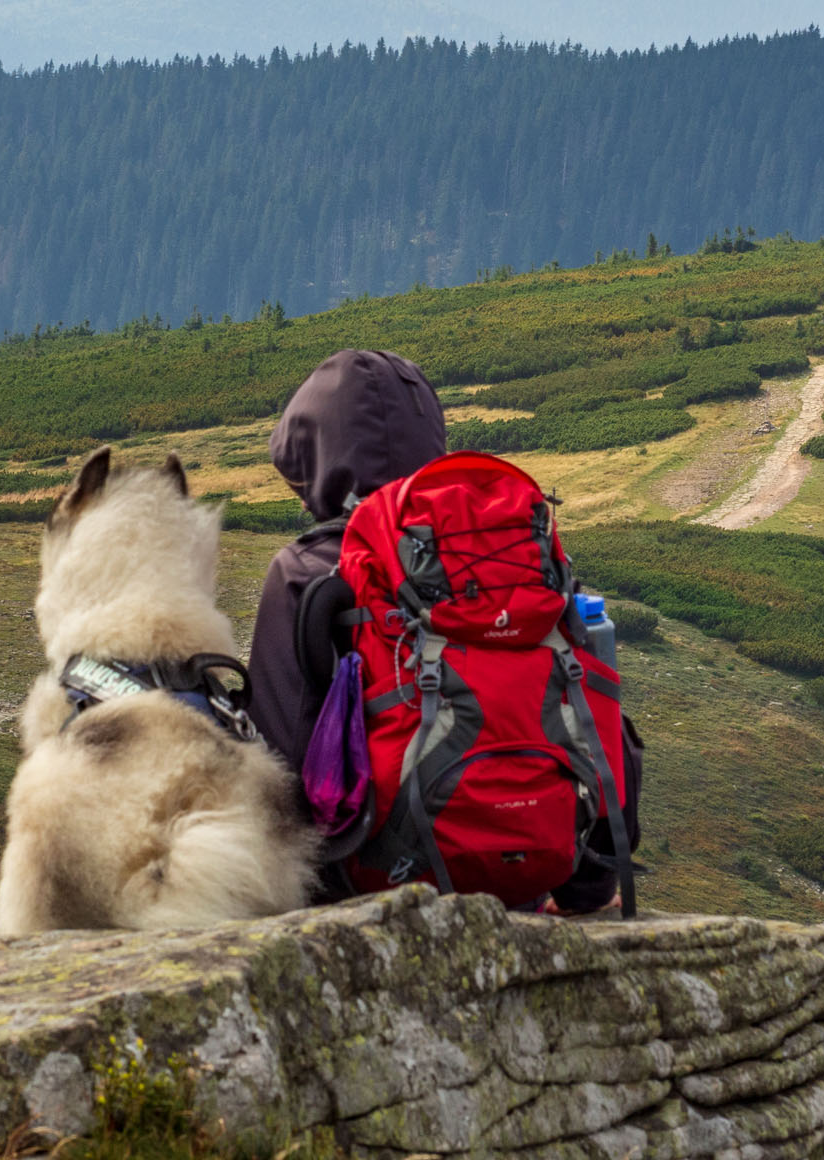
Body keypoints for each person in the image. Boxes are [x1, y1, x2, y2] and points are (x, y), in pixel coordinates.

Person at [246, 349, 639, 912]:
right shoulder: (507, 547)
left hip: (366, 883)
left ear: (313, 455)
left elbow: (278, 756)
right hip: (538, 874)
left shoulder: (305, 570)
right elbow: (591, 708)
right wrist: (588, 889)